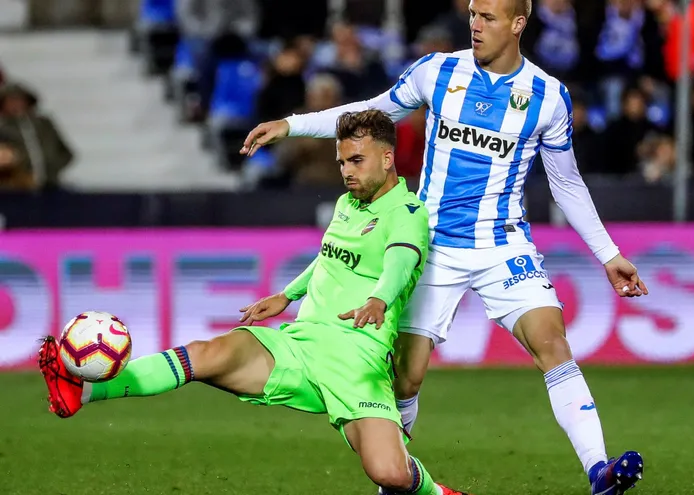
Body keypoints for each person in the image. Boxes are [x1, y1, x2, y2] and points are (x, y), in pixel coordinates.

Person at [241, 1, 647, 493]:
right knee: (406, 379)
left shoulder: (548, 97)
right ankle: (394, 483)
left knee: (553, 345)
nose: (475, 24)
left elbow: (567, 183)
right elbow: (370, 114)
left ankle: (599, 471)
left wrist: (608, 254)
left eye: (489, 17)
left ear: (518, 24)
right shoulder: (437, 72)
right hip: (429, 247)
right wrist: (292, 124)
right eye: (473, 13)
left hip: (502, 245)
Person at [38, 110, 468, 495]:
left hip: (357, 361)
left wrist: (378, 298)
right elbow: (329, 258)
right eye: (341, 162)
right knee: (208, 354)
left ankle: (439, 493)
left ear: (388, 158)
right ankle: (86, 389)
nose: (346, 172)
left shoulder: (408, 213)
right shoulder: (347, 204)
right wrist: (286, 295)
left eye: (356, 161)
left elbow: (401, 260)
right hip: (300, 345)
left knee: (390, 474)